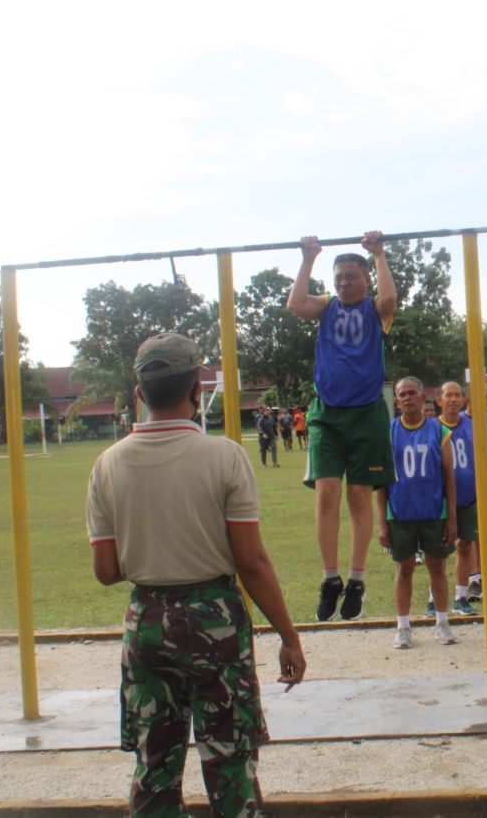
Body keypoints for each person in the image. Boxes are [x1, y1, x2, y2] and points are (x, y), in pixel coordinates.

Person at [87, 332, 305, 816]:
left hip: (146, 621)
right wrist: (288, 636)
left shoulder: (107, 465)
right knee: (230, 761)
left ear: (140, 393)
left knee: (154, 763)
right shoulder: (224, 456)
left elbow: (106, 571)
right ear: (196, 389)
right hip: (216, 622)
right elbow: (250, 561)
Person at [287, 231, 396, 623]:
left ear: (364, 278)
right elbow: (295, 303)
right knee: (326, 493)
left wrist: (379, 254)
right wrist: (308, 258)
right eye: (339, 277)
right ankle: (330, 578)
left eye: (351, 275)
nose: (344, 282)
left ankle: (357, 579)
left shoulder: (374, 309)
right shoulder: (326, 306)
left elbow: (389, 300)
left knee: (359, 498)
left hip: (365, 413)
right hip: (328, 413)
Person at [377, 377, 458, 649]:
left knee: (437, 566)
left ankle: (443, 622)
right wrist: (382, 523)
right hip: (400, 513)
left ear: (424, 398)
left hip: (434, 511)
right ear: (396, 401)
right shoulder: (388, 433)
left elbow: (449, 477)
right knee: (404, 568)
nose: (408, 398)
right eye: (403, 394)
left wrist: (452, 518)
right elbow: (380, 484)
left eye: (413, 393)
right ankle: (403, 626)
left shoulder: (438, 431)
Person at [425, 381, 487, 616]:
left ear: (463, 400)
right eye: (448, 395)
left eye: (457, 395)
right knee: (439, 550)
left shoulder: (475, 426)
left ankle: (460, 597)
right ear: (439, 400)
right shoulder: (432, 428)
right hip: (440, 499)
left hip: (469, 497)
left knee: (465, 545)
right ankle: (434, 599)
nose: (453, 399)